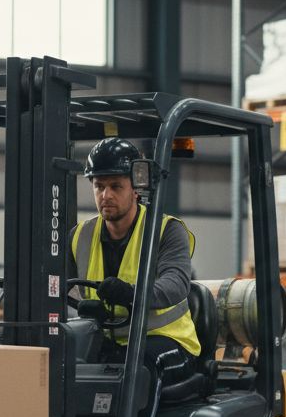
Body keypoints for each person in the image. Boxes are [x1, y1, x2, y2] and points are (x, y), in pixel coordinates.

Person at [69, 137, 201, 374]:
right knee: (64, 363)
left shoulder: (166, 230)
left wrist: (131, 293)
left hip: (167, 341)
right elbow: (58, 284)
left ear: (136, 188)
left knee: (137, 372)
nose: (106, 195)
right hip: (109, 341)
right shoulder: (80, 235)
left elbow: (176, 284)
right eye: (99, 186)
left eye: (116, 186)